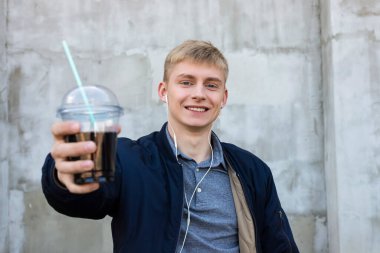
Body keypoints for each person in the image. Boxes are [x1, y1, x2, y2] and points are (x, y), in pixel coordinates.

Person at [42, 40, 299, 253]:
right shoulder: (128, 159)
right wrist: (63, 176)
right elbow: (85, 200)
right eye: (186, 82)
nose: (199, 93)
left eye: (211, 85)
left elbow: (280, 247)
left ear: (223, 98)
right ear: (164, 91)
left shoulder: (253, 170)